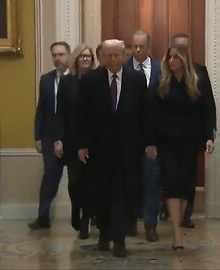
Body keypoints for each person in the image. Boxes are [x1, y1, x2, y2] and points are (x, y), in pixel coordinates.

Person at [77, 39, 156, 257]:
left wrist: (149, 142)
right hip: (99, 149)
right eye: (109, 55)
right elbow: (82, 115)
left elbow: (145, 112)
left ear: (124, 55)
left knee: (123, 193)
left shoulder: (136, 79)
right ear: (102, 57)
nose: (113, 60)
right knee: (102, 193)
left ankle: (119, 239)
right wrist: (82, 145)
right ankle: (104, 234)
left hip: (128, 148)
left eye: (117, 55)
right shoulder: (91, 80)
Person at [153, 45, 216, 250]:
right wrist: (150, 141)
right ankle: (177, 232)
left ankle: (178, 223)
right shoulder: (161, 81)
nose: (172, 61)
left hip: (190, 140)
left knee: (186, 183)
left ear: (184, 60)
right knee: (171, 182)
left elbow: (208, 108)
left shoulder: (197, 79)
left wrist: (209, 137)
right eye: (169, 57)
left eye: (176, 57)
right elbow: (151, 112)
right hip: (167, 140)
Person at [171, 33, 216, 229]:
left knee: (189, 175)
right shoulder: (165, 71)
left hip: (192, 135)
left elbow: (208, 105)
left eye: (184, 48)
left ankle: (186, 215)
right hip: (169, 135)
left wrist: (209, 135)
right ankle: (171, 212)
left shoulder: (200, 71)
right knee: (171, 175)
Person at [124, 30, 162, 242]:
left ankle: (150, 225)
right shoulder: (123, 68)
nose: (137, 50)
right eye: (134, 46)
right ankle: (130, 222)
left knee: (152, 182)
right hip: (128, 139)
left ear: (148, 47)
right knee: (129, 182)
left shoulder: (159, 69)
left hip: (152, 140)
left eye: (141, 46)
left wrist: (154, 141)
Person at [54, 44, 95, 239]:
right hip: (71, 137)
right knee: (74, 181)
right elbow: (60, 112)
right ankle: (75, 208)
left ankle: (86, 218)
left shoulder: (96, 80)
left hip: (92, 139)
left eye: (89, 57)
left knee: (89, 181)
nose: (86, 59)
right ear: (76, 59)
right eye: (82, 56)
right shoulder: (66, 82)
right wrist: (58, 139)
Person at [30, 42, 71, 230]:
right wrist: (37, 136)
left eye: (61, 54)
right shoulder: (46, 80)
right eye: (54, 54)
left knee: (80, 179)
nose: (57, 58)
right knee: (49, 178)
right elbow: (41, 110)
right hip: (49, 136)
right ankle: (43, 216)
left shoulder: (78, 79)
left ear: (69, 56)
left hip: (72, 136)